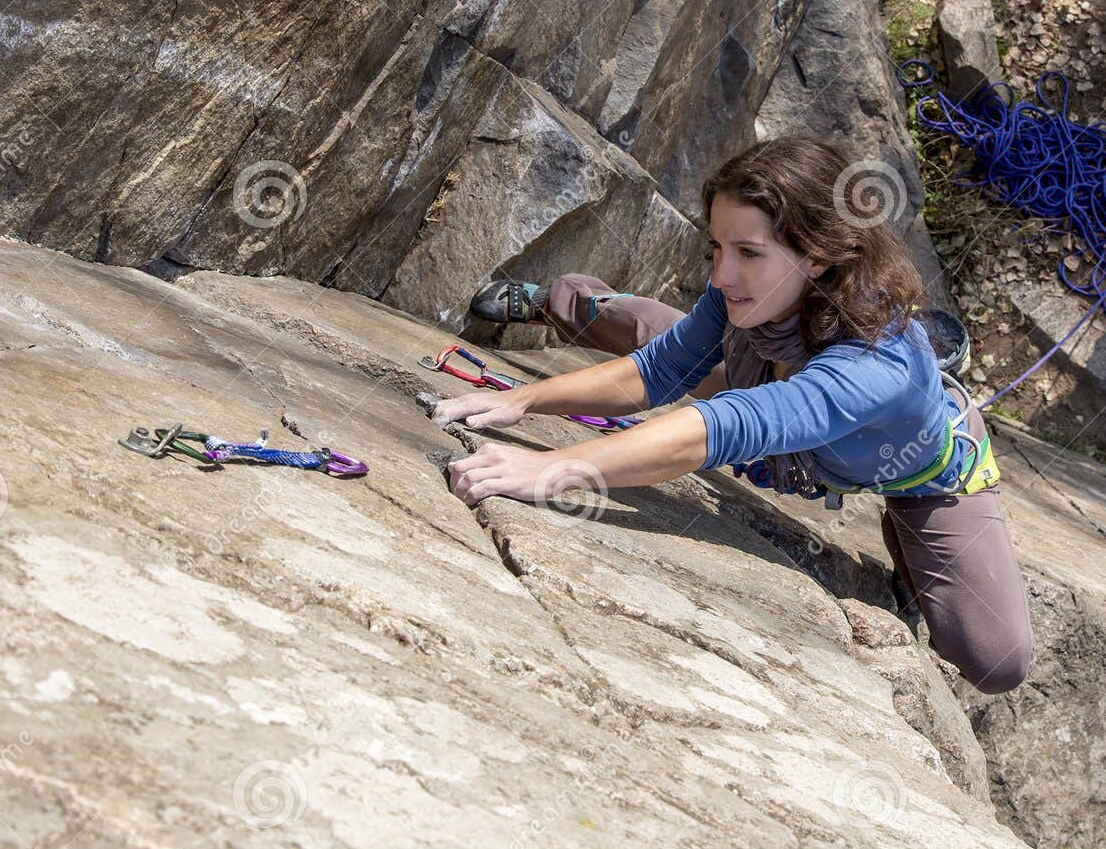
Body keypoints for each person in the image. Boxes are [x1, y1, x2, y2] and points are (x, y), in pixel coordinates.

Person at [434, 139, 1034, 695]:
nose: (721, 273)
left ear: (820, 257)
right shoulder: (744, 293)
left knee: (996, 660)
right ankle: (560, 300)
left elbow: (724, 429)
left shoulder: (877, 366)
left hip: (913, 469)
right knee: (671, 338)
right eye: (717, 248)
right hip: (771, 385)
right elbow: (654, 373)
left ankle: (912, 521)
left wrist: (551, 468)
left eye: (748, 252)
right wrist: (522, 401)